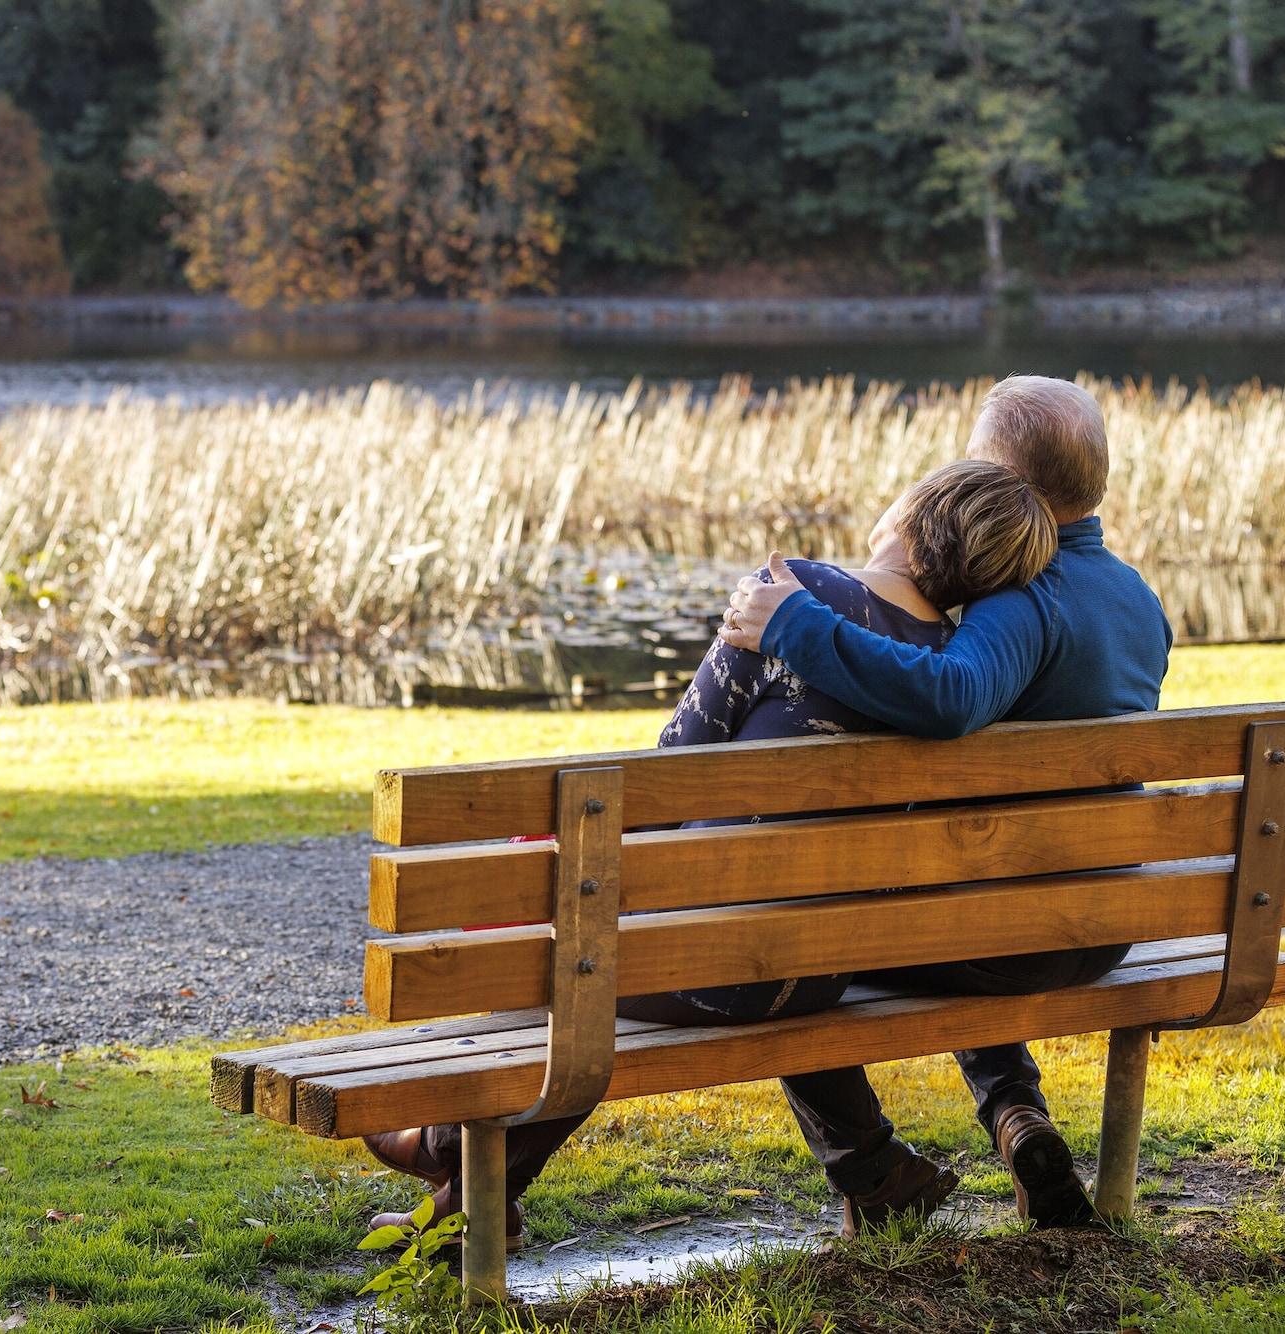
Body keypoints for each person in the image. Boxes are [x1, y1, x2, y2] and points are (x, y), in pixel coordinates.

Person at [362, 456, 1062, 1245]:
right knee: (621, 938)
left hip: (711, 962)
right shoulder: (947, 669)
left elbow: (672, 769)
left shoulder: (796, 593)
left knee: (566, 940)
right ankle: (870, 1173)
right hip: (820, 972)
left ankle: (448, 1151)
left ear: (918, 510)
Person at [718, 374, 1172, 1233]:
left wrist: (795, 626)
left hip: (1006, 937)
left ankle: (874, 1170)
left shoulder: (1026, 598)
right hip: (1105, 921)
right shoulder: (1138, 599)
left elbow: (951, 694)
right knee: (955, 897)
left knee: (793, 942)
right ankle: (1014, 1111)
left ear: (1001, 481)